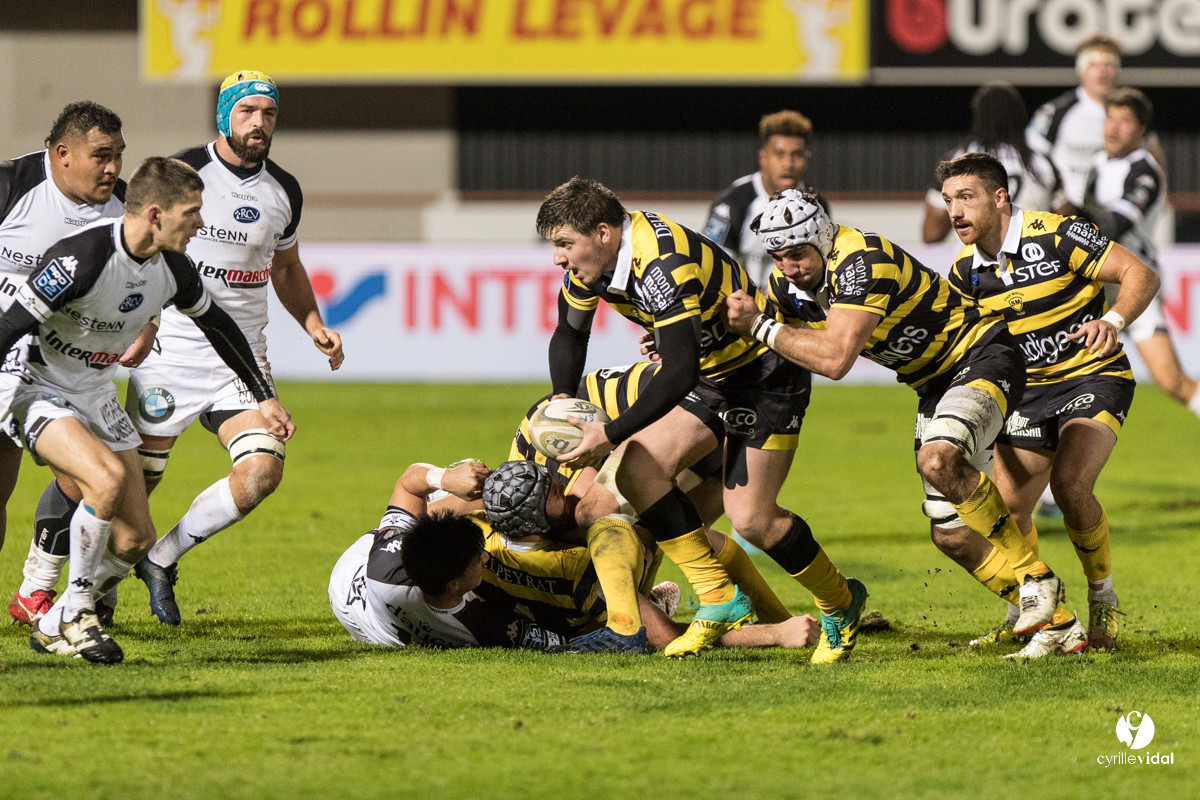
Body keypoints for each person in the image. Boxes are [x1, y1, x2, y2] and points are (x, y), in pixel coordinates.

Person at [14, 70, 344, 628]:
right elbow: (129, 255)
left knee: (260, 471)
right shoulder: (178, 176)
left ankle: (148, 566)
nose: (259, 122)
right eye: (247, 112)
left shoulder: (282, 191)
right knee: (115, 480)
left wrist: (307, 327)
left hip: (239, 354)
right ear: (224, 115)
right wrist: (139, 325)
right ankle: (46, 584)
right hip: (166, 352)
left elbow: (282, 270)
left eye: (268, 113)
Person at [723, 187, 1081, 657]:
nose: (787, 266)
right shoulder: (787, 285)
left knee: (937, 460)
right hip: (934, 384)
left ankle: (1037, 578)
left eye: (796, 253)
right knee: (950, 535)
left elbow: (834, 360)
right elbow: (773, 343)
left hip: (982, 356)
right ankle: (1057, 624)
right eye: (778, 256)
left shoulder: (862, 259)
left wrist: (758, 326)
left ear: (822, 237)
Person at [537, 177, 866, 662]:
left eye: (565, 244)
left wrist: (607, 433)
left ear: (603, 233)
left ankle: (840, 601)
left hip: (765, 375)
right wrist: (562, 401)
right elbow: (568, 332)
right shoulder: (593, 268)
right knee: (638, 470)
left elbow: (678, 370)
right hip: (712, 378)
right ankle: (717, 597)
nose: (558, 259)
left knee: (751, 520)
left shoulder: (661, 261)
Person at [0, 156, 292, 662]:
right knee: (106, 479)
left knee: (135, 539)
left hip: (94, 393)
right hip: (35, 385)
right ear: (156, 214)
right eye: (192, 213)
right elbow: (8, 327)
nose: (200, 223)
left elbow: (220, 327)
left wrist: (263, 395)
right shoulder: (82, 257)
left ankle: (49, 623)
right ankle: (76, 614)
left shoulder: (173, 268)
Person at [938, 152, 1159, 654]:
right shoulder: (963, 273)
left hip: (1093, 376)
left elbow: (1140, 274)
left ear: (1000, 198)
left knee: (1070, 483)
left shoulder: (1058, 234)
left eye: (966, 197)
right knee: (1008, 507)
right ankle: (1030, 613)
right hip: (1029, 394)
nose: (955, 211)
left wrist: (1114, 322)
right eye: (949, 200)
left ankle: (1103, 595)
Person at [330, 459, 820, 652]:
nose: (568, 488)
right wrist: (773, 636)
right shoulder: (491, 624)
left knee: (443, 505)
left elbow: (410, 484)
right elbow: (656, 639)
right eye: (558, 491)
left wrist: (446, 479)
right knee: (693, 541)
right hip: (558, 596)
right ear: (463, 581)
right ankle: (791, 619)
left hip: (353, 582)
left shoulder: (393, 558)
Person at [0, 102, 147, 625]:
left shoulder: (124, 208)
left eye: (118, 156)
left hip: (68, 374)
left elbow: (144, 282)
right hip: (5, 365)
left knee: (91, 483)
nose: (112, 169)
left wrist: (145, 329)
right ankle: (52, 599)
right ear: (61, 154)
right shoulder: (12, 186)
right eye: (101, 156)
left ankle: (47, 595)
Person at [1081, 88, 1200, 421]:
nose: (1113, 128)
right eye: (1110, 118)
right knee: (1063, 383)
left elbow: (1112, 227)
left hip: (1135, 288)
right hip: (1095, 291)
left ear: (1142, 131)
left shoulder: (1144, 172)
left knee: (1172, 381)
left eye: (1125, 121)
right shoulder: (1097, 165)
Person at [923, 82, 1063, 243]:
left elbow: (932, 233)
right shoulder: (1042, 160)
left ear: (977, 115)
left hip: (976, 263)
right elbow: (1064, 221)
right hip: (1034, 260)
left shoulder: (957, 160)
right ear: (1020, 115)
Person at [703, 110, 830, 287]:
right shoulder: (732, 203)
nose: (788, 163)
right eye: (779, 154)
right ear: (763, 158)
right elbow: (711, 269)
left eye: (797, 154)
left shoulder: (815, 205)